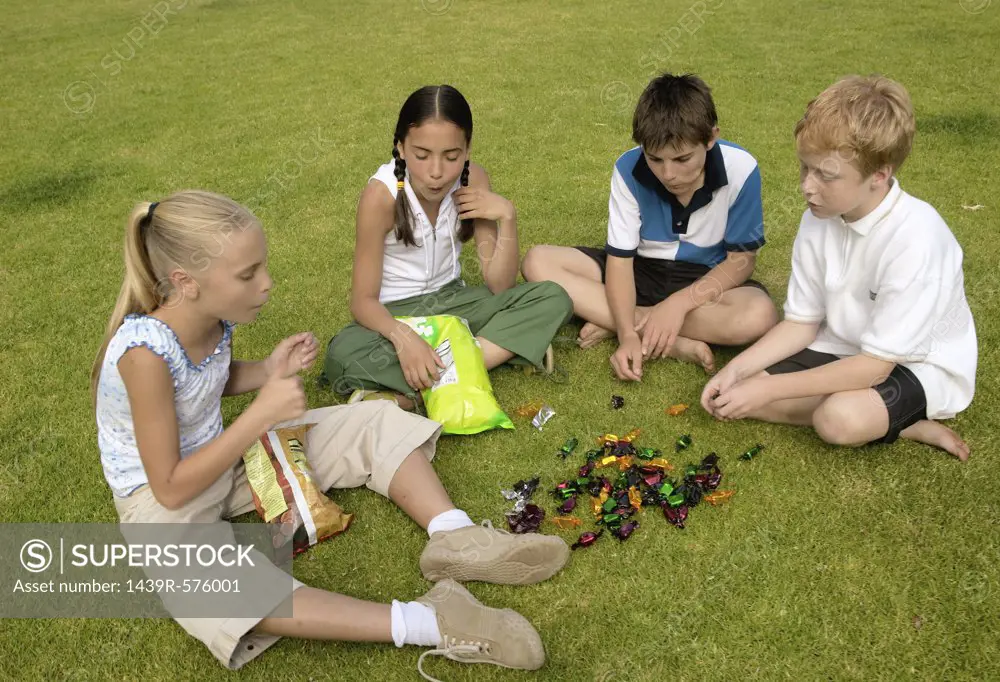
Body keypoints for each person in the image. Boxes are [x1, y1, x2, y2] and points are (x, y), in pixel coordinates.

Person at [92, 190, 570, 678]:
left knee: (372, 421)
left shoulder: (210, 319)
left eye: (262, 267)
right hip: (160, 501)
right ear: (185, 283)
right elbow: (170, 487)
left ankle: (455, 537)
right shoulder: (142, 357)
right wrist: (259, 416)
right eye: (247, 274)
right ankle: (431, 621)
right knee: (213, 588)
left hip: (226, 460)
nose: (266, 284)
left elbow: (207, 379)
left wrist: (265, 371)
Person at [701, 76, 976, 460]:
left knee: (837, 420)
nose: (807, 188)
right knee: (731, 397)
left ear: (880, 173)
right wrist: (736, 370)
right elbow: (801, 323)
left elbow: (875, 367)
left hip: (914, 362)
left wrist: (769, 389)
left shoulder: (917, 239)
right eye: (805, 169)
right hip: (842, 347)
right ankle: (881, 416)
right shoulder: (818, 217)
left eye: (826, 176)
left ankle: (903, 420)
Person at [323, 85, 573, 409]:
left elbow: (500, 285)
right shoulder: (380, 196)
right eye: (422, 155)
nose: (437, 172)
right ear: (400, 148)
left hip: (454, 303)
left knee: (552, 297)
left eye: (451, 156)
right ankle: (486, 357)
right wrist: (404, 339)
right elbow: (362, 302)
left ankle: (423, 384)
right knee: (342, 354)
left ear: (467, 149)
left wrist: (507, 217)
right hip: (397, 314)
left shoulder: (474, 181)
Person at [521, 73, 776, 381]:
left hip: (704, 281)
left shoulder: (742, 168)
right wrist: (627, 335)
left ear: (711, 138)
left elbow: (741, 261)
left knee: (758, 315)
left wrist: (678, 305)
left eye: (682, 159)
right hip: (638, 271)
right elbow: (620, 261)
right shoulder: (627, 168)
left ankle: (616, 316)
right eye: (655, 159)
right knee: (538, 261)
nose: (668, 173)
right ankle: (664, 339)